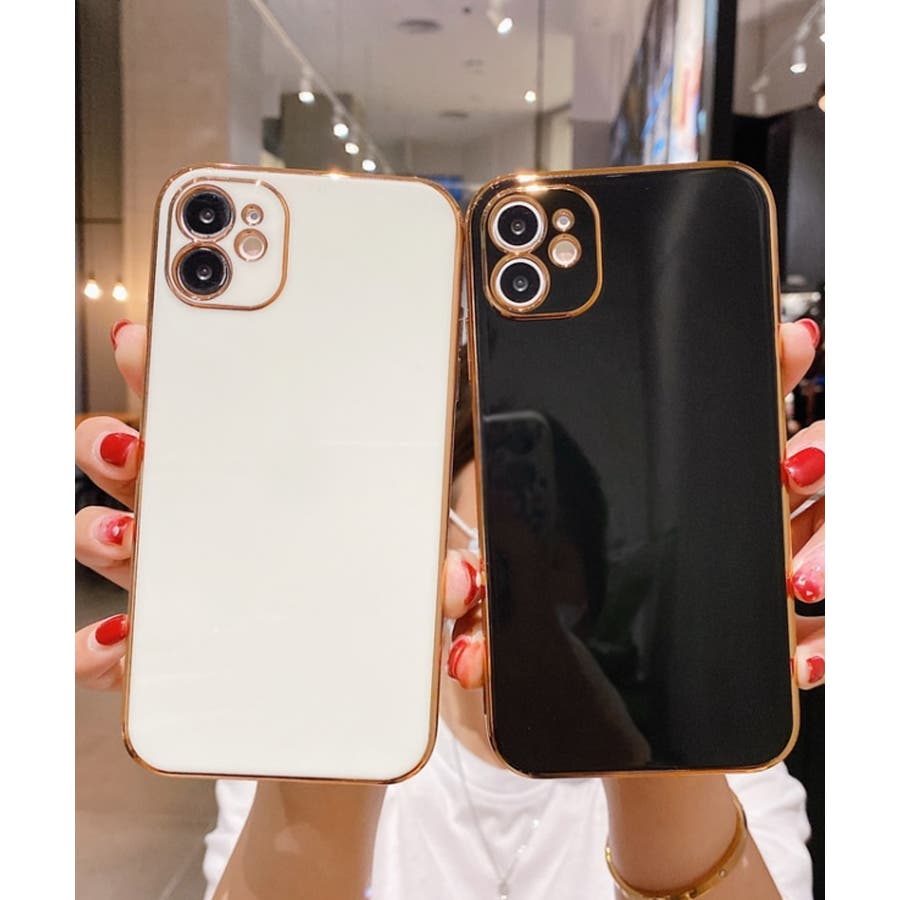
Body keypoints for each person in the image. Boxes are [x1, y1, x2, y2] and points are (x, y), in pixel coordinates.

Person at [75, 317, 825, 899]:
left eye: (563, 526)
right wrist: (340, 725)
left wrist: (650, 748)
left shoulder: (722, 745)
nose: (528, 549)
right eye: (503, 508)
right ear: (438, 533)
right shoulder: (304, 724)